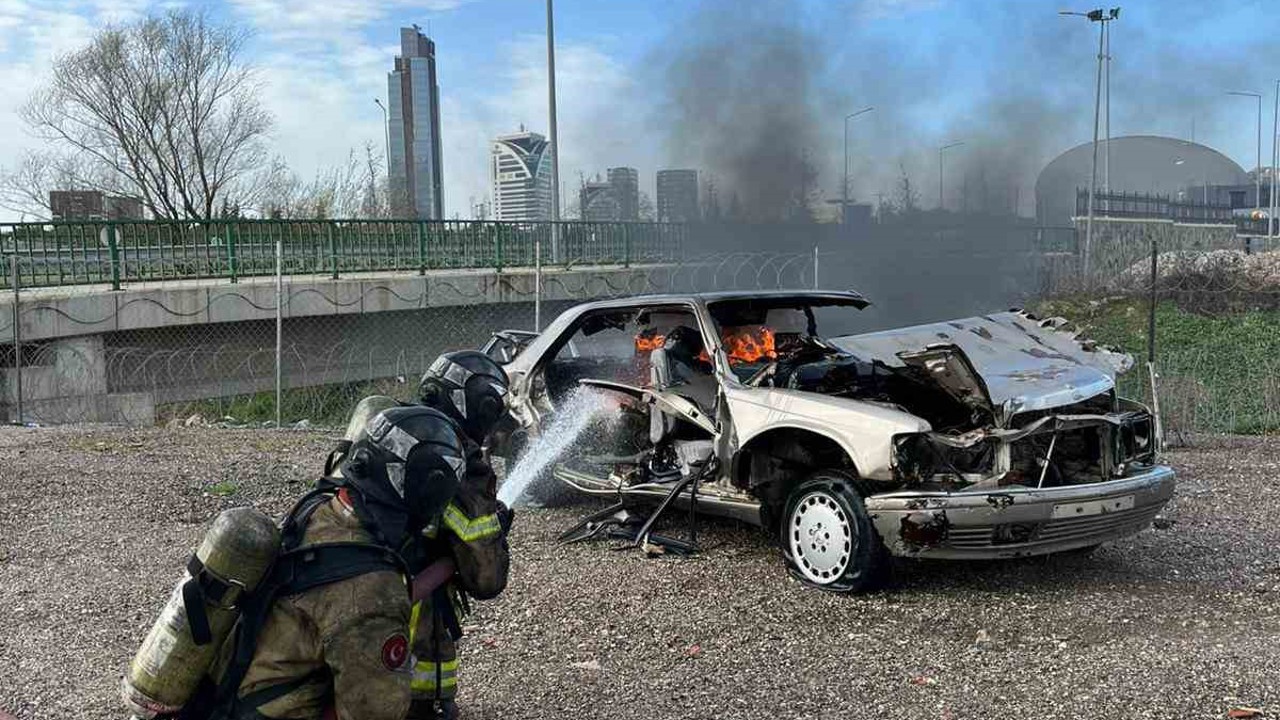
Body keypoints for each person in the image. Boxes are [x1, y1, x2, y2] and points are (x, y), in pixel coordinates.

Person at [213, 406, 469, 720]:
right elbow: (376, 712)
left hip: (228, 702)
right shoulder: (373, 591)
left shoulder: (317, 509)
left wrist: (443, 566)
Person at [410, 351, 515, 720]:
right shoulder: (460, 465)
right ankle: (423, 704)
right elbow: (486, 580)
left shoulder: (394, 429)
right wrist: (496, 531)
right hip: (407, 600)